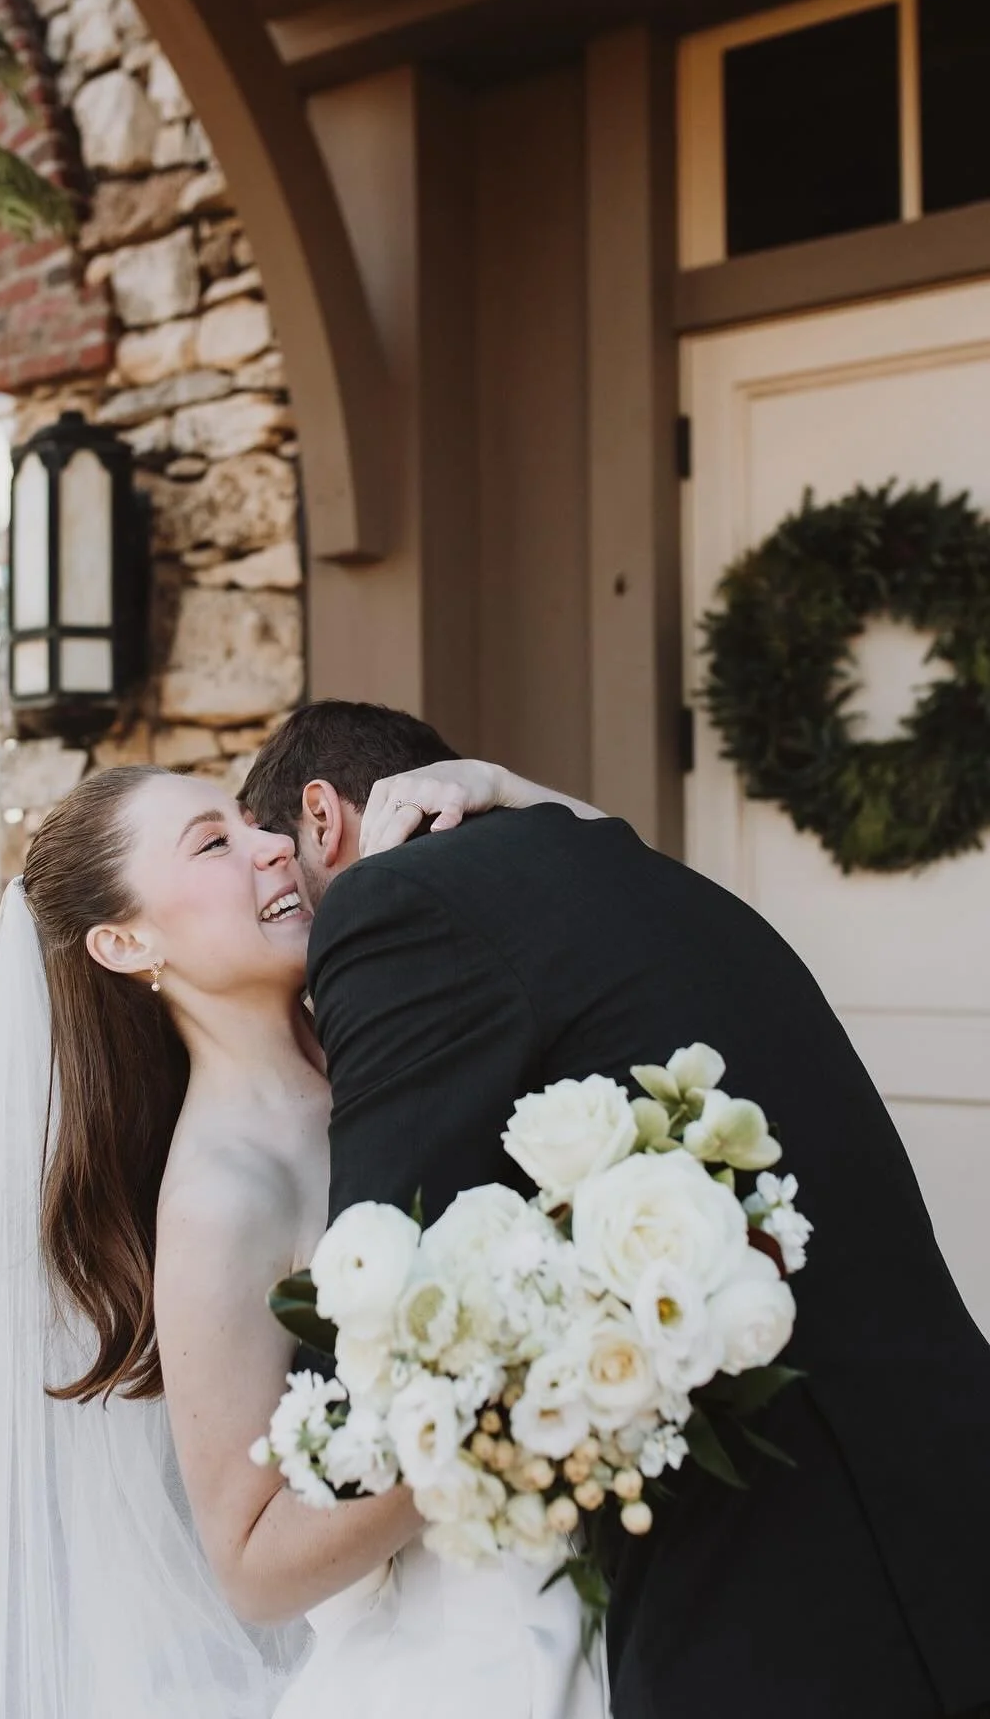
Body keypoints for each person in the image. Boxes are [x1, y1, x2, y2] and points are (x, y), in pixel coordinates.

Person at [0, 744, 606, 1719]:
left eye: (251, 824)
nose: (273, 847)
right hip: (471, 1668)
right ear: (126, 944)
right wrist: (498, 1415)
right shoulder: (220, 1193)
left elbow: (618, 888)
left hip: (600, 1583)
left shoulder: (372, 1032)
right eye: (214, 844)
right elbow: (252, 1567)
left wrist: (499, 787)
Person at [237, 700, 990, 1719]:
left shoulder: (390, 902)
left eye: (271, 859)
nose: (271, 894)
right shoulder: (639, 872)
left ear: (322, 818)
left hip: (791, 1570)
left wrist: (311, 1492)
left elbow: (382, 1267)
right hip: (936, 1462)